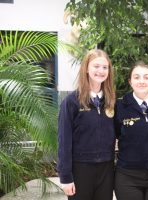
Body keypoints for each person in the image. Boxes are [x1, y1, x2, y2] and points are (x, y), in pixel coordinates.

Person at [57, 49, 116, 200]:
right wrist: (66, 177)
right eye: (96, 66)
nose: (101, 71)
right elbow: (64, 142)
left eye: (105, 67)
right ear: (86, 69)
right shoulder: (71, 102)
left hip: (106, 169)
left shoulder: (111, 102)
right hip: (80, 169)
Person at [114, 61, 148, 200]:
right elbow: (111, 136)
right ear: (130, 81)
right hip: (127, 178)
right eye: (137, 77)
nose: (141, 81)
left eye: (146, 77)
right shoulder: (119, 106)